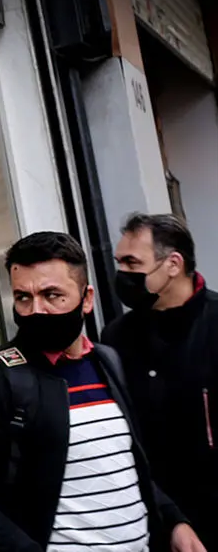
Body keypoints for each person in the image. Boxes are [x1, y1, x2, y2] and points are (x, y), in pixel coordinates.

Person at [0, 231, 203, 552]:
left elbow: (124, 464)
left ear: (87, 299)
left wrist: (174, 521)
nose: (36, 310)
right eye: (23, 297)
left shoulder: (106, 362)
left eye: (52, 295)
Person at [103, 213, 218, 550]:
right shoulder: (117, 338)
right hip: (158, 521)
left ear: (173, 264)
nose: (123, 274)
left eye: (132, 263)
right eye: (119, 262)